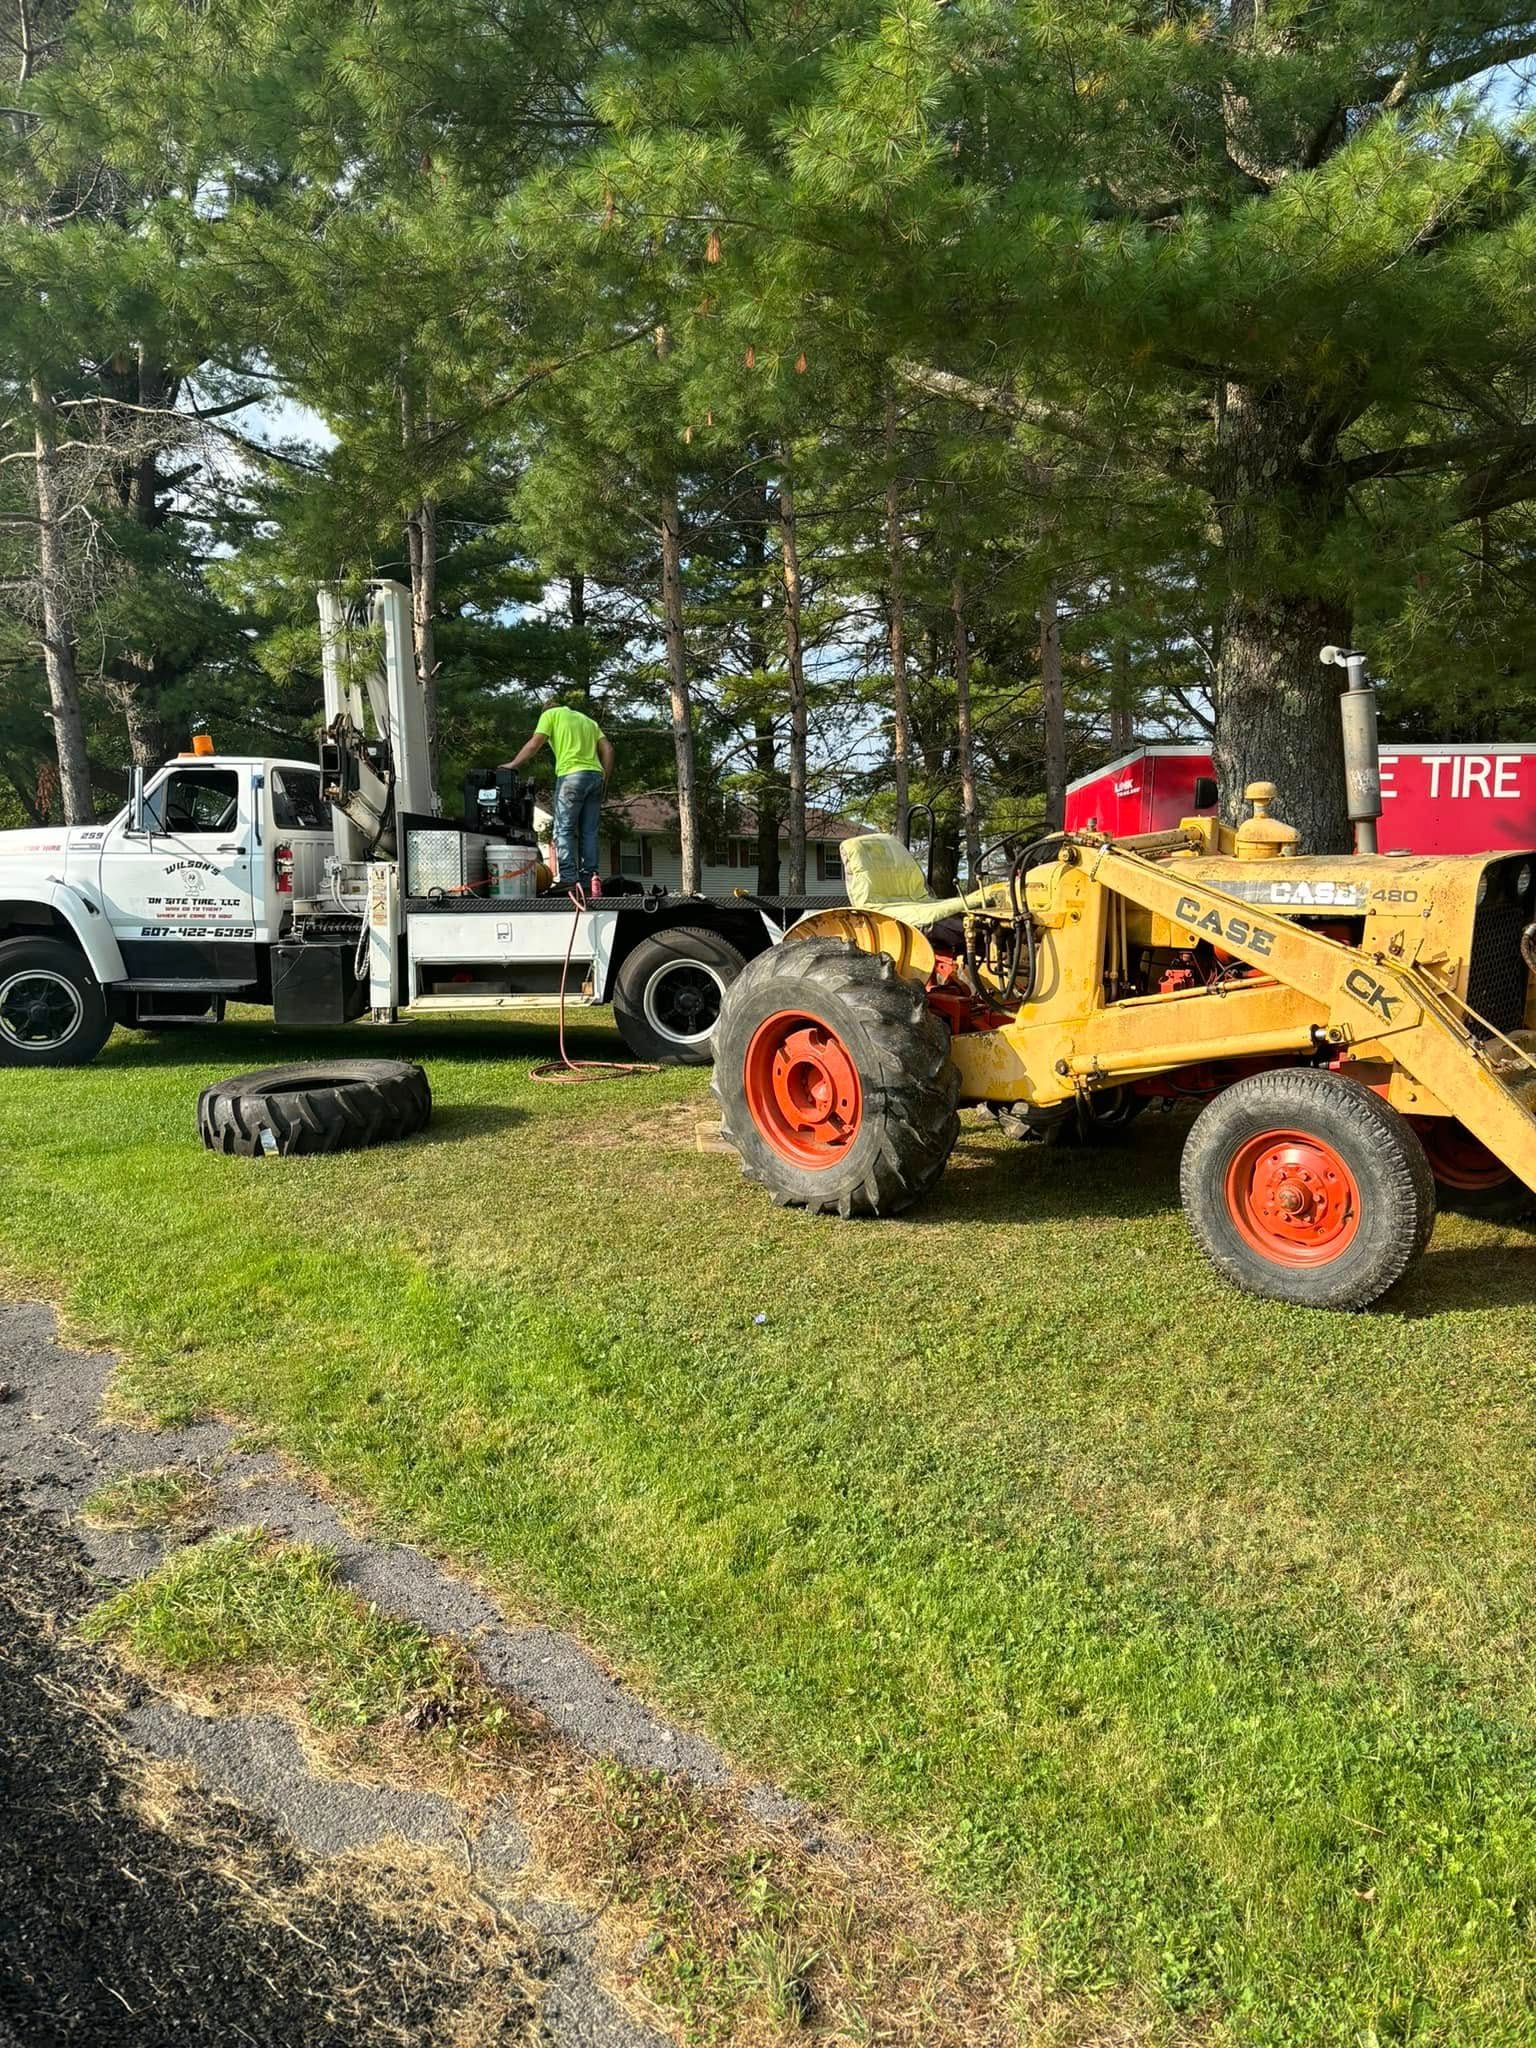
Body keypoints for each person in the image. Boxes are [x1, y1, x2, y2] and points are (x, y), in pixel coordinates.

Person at [503, 697, 614, 889]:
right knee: (589, 832)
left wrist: (513, 764)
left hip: (571, 775)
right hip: (595, 776)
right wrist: (605, 779)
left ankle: (569, 879)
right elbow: (609, 749)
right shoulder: (588, 721)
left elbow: (534, 743)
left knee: (564, 829)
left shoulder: (550, 715)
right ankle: (590, 880)